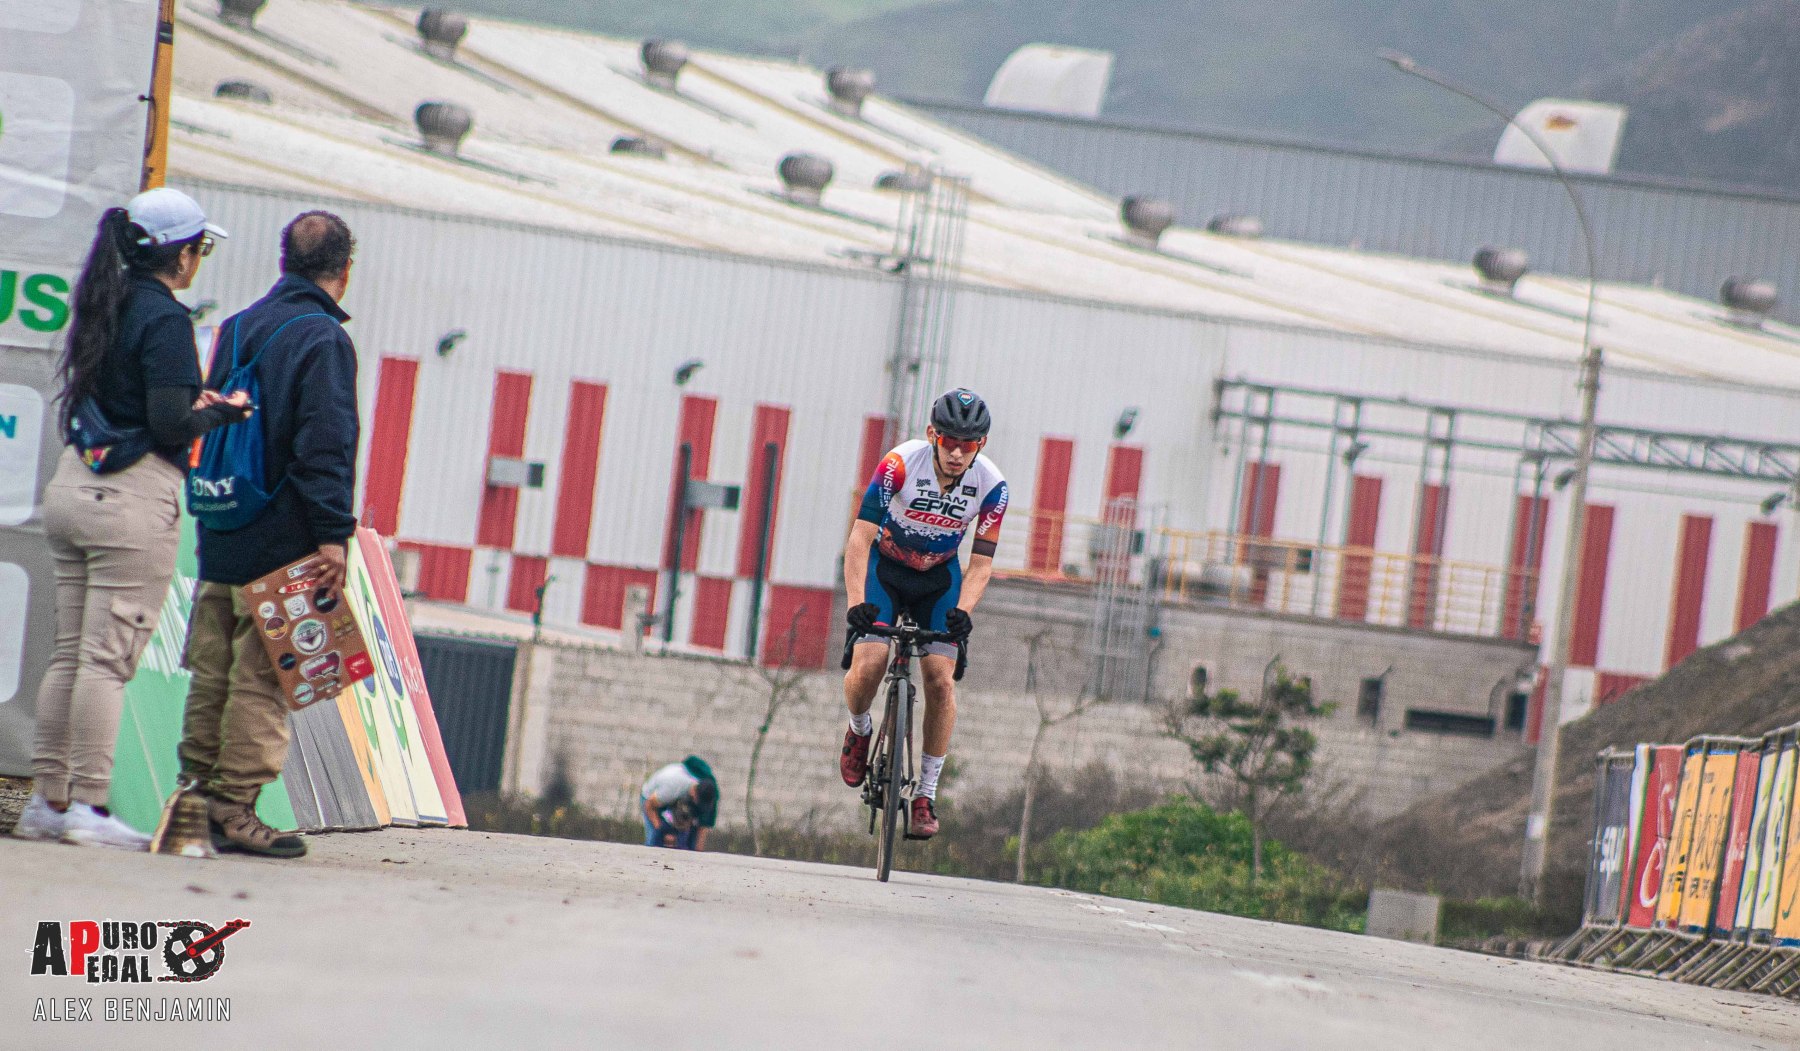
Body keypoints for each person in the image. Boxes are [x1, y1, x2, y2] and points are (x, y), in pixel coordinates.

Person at [13, 190, 250, 850]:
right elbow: (170, 423)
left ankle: (47, 800)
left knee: (69, 655)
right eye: (201, 248)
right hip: (131, 498)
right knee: (106, 663)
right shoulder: (167, 319)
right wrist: (225, 410)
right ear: (181, 254)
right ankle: (89, 804)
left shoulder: (105, 303)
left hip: (72, 486)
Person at [177, 211, 360, 859]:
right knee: (263, 675)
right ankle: (235, 808)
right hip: (283, 535)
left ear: (284, 261)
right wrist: (332, 535)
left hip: (223, 522)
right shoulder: (322, 339)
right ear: (344, 269)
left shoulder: (236, 328)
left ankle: (194, 797)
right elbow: (325, 444)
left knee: (213, 670)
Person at [839, 389, 1007, 839]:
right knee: (870, 662)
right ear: (932, 434)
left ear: (981, 445)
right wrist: (856, 603)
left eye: (968, 445)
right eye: (949, 441)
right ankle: (858, 729)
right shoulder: (899, 464)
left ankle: (925, 795)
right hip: (886, 570)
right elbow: (859, 540)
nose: (957, 453)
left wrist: (964, 612)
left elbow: (981, 563)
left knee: (940, 680)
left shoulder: (992, 486)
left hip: (938, 579)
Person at [640, 756, 719, 850]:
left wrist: (698, 852)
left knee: (685, 843)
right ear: (693, 792)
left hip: (676, 802)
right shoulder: (673, 787)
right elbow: (649, 805)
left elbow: (703, 826)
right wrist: (661, 831)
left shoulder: (710, 793)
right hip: (652, 800)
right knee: (655, 840)